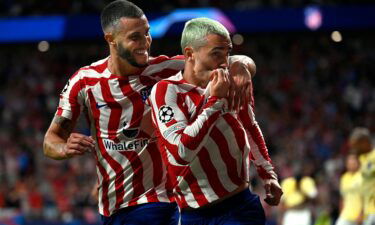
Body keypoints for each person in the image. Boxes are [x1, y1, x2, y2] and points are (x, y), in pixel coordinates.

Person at [43, 1, 254, 224]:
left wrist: (241, 66)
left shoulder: (166, 69)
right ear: (111, 39)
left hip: (161, 201)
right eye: (135, 37)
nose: (145, 43)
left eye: (147, 34)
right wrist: (64, 148)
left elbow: (232, 60)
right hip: (113, 205)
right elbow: (51, 140)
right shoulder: (84, 82)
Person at [149, 17, 282, 225]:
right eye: (216, 53)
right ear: (189, 54)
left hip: (239, 206)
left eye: (227, 53)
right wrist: (215, 102)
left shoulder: (231, 81)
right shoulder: (167, 91)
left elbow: (249, 125)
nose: (224, 61)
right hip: (193, 213)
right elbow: (181, 153)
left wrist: (268, 175)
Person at [349, 127, 375, 225]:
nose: (354, 149)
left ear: (364, 142)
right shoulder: (363, 158)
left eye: (356, 145)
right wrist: (361, 211)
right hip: (368, 210)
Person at [335, 154, 362, 225]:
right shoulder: (344, 178)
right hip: (346, 215)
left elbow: (366, 197)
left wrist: (361, 213)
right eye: (349, 163)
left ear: (358, 163)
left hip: (359, 216)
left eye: (353, 163)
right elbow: (342, 197)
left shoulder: (363, 177)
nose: (351, 165)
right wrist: (341, 212)